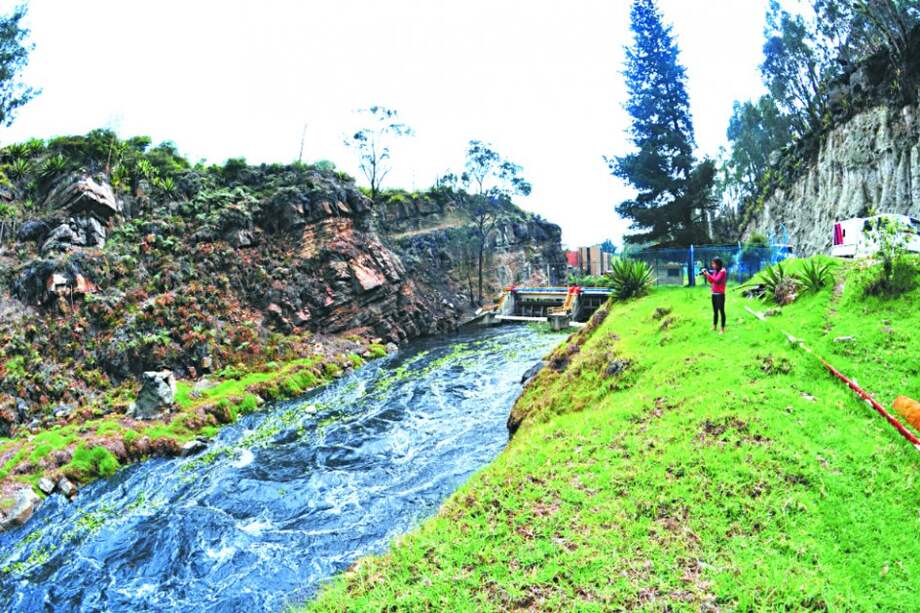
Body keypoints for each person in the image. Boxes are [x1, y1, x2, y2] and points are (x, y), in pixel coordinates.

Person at [702, 258, 727, 334]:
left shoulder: (722, 271)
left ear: (718, 264)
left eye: (714, 264)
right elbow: (711, 281)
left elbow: (716, 280)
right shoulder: (716, 271)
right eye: (712, 264)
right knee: (715, 311)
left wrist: (708, 274)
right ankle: (714, 326)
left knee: (721, 311)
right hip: (714, 294)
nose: (712, 265)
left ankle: (722, 329)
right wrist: (706, 275)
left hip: (720, 295)